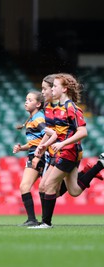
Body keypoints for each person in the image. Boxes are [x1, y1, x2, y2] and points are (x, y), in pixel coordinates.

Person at [29, 73, 104, 229]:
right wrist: (43, 147)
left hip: (70, 152)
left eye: (54, 86)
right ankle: (98, 166)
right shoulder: (55, 107)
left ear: (64, 89)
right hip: (61, 150)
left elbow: (83, 132)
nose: (49, 90)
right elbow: (54, 132)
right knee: (73, 191)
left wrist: (62, 144)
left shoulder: (71, 107)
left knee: (48, 185)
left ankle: (46, 223)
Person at [13, 91, 57, 226]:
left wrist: (38, 156)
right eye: (26, 99)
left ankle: (34, 220)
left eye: (30, 100)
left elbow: (48, 135)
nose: (26, 102)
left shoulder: (38, 118)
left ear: (38, 104)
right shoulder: (33, 118)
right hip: (35, 154)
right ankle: (39, 220)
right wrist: (22, 148)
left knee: (26, 186)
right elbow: (35, 142)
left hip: (39, 155)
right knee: (45, 188)